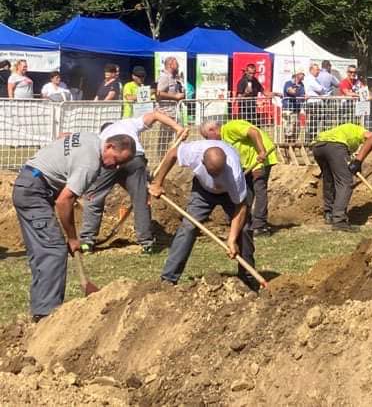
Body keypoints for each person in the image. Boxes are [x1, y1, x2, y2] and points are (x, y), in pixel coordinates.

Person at [13, 132, 136, 320]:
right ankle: (46, 314)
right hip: (34, 191)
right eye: (116, 160)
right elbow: (64, 201)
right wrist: (72, 238)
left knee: (43, 250)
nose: (115, 166)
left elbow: (64, 136)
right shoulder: (91, 164)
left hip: (30, 182)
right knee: (53, 250)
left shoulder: (92, 139)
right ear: (110, 147)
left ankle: (40, 307)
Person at [79, 111, 185, 254]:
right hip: (134, 159)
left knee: (94, 197)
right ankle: (146, 243)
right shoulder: (128, 123)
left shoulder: (102, 139)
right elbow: (155, 115)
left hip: (110, 161)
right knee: (141, 200)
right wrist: (177, 128)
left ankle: (87, 241)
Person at [150, 140, 251, 286]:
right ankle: (168, 278)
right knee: (188, 227)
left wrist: (232, 239)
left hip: (229, 193)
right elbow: (172, 153)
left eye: (219, 174)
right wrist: (158, 182)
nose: (216, 178)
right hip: (203, 191)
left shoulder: (235, 175)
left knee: (244, 229)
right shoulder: (193, 152)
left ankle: (247, 279)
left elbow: (240, 207)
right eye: (212, 174)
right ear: (202, 162)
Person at [201, 119, 277, 237]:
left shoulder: (231, 127)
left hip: (260, 158)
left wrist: (261, 151)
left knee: (259, 188)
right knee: (246, 191)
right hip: (248, 162)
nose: (207, 140)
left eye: (207, 137)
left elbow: (253, 132)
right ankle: (245, 220)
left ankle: (259, 226)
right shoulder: (224, 139)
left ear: (212, 130)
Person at [312, 123, 372, 232]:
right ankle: (339, 221)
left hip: (318, 146)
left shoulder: (342, 131)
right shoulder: (359, 131)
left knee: (329, 179)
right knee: (345, 182)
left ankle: (329, 213)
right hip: (335, 146)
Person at [156, 56, 185, 146]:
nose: (178, 65)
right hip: (166, 113)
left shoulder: (174, 78)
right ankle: (163, 158)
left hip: (173, 111)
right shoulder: (164, 77)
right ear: (170, 65)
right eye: (176, 63)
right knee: (165, 140)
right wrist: (175, 97)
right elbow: (159, 93)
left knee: (175, 137)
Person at [304, 63, 325, 142]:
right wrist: (322, 90)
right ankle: (310, 141)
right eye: (317, 70)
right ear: (311, 70)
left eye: (319, 70)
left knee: (315, 123)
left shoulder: (314, 79)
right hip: (313, 103)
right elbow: (320, 89)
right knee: (313, 123)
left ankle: (312, 141)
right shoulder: (310, 79)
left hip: (315, 103)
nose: (318, 71)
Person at [282, 71, 305, 141]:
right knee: (288, 126)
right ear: (297, 75)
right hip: (288, 108)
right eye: (302, 74)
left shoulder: (302, 85)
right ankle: (287, 144)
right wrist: (294, 89)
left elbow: (302, 96)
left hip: (296, 109)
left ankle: (293, 143)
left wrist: (304, 97)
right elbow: (289, 91)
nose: (304, 76)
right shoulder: (288, 83)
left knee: (296, 127)